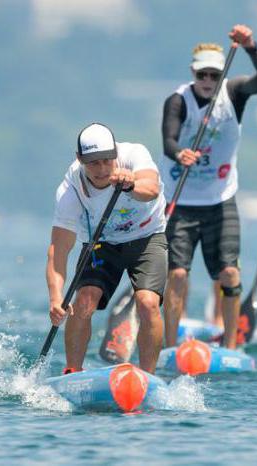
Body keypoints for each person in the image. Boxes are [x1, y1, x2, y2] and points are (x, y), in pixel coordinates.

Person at [161, 24, 257, 349]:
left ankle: (230, 346)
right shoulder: (178, 101)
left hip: (220, 200)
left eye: (214, 75)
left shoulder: (235, 92)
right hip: (180, 200)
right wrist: (179, 152)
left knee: (229, 275)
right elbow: (168, 139)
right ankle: (170, 346)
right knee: (178, 275)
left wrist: (252, 47)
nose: (208, 82)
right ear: (193, 74)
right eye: (202, 76)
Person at [47, 123, 167, 373]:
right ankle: (73, 372)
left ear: (115, 152)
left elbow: (152, 188)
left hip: (147, 236)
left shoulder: (134, 155)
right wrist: (56, 297)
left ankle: (147, 376)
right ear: (79, 159)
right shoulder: (71, 191)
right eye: (93, 163)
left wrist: (131, 184)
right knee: (83, 303)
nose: (102, 170)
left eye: (107, 160)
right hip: (102, 242)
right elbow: (59, 249)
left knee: (147, 303)